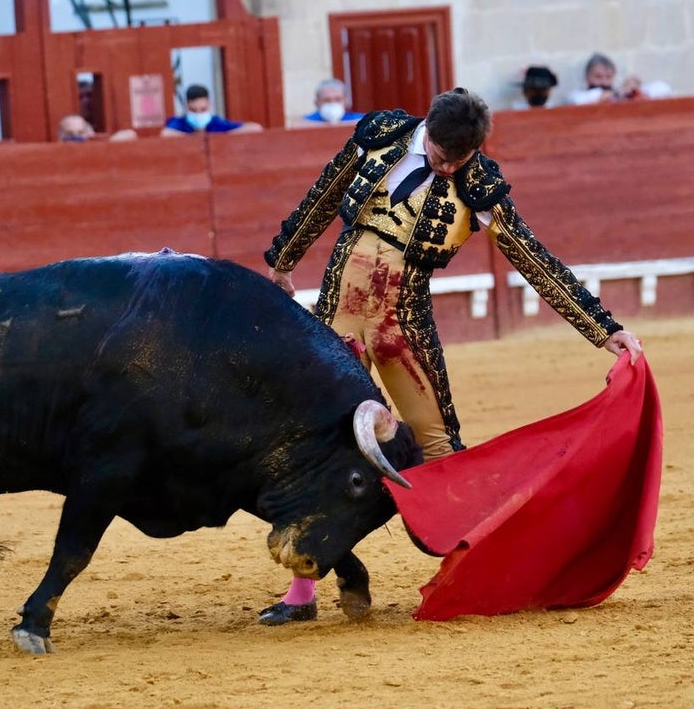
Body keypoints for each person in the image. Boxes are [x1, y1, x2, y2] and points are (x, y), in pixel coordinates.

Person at [258, 87, 644, 625]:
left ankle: (469, 577)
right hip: (338, 314)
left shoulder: (478, 184)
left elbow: (532, 258)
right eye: (439, 157)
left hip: (402, 324)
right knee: (312, 444)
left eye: (456, 162)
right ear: (428, 133)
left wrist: (601, 329)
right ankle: (302, 594)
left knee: (440, 447)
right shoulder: (382, 135)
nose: (445, 169)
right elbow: (324, 195)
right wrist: (283, 259)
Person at [565, 52, 670, 105]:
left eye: (608, 77)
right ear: (587, 78)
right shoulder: (577, 95)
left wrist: (637, 90)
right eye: (598, 77)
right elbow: (578, 100)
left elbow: (664, 88)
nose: (604, 82)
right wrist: (619, 93)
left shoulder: (621, 95)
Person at [161, 84, 262, 136]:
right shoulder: (179, 122)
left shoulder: (215, 123)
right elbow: (166, 134)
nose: (198, 114)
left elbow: (256, 128)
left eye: (203, 109)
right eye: (193, 110)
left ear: (209, 106)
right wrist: (195, 138)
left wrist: (220, 137)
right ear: (187, 108)